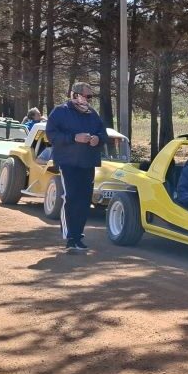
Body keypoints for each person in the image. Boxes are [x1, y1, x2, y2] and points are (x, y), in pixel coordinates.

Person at [45, 83, 106, 252]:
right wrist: (74, 138)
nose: (89, 100)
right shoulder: (60, 111)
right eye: (87, 96)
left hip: (88, 163)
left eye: (91, 97)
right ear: (75, 95)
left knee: (84, 201)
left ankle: (78, 236)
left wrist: (97, 139)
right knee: (70, 198)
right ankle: (70, 238)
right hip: (68, 163)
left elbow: (103, 134)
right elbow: (51, 135)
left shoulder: (93, 114)